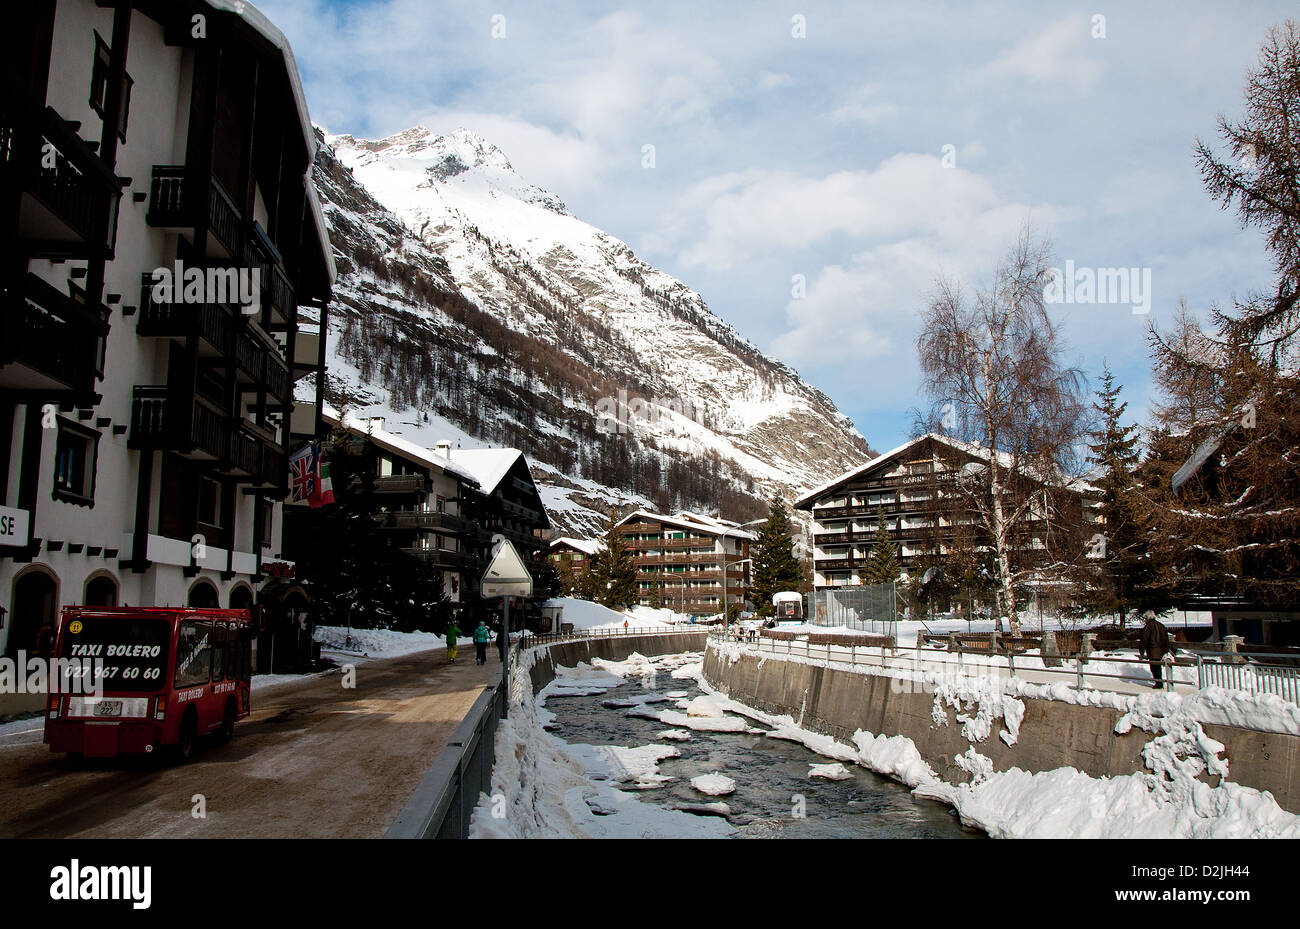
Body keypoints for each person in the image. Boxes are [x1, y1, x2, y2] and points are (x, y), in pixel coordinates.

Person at [1138, 610, 1172, 689]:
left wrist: (1142, 650)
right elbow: (1165, 638)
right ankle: (1159, 682)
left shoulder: (1148, 627)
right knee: (1158, 666)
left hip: (1152, 650)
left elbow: (1144, 639)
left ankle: (1158, 683)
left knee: (1154, 667)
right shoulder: (1161, 625)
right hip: (1161, 650)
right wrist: (1166, 649)